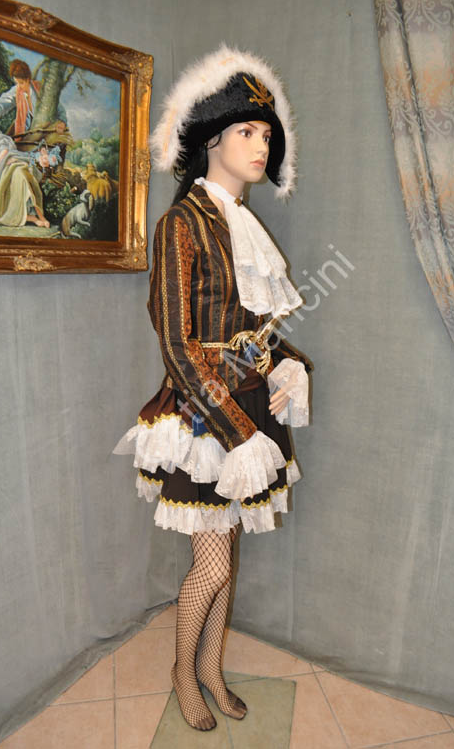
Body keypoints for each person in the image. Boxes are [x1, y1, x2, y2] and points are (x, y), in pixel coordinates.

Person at [113, 44, 312, 731]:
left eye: (266, 135)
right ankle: (182, 671)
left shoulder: (240, 223)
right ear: (212, 141)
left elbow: (252, 328)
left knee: (226, 556)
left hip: (249, 403)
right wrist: (237, 432)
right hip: (206, 415)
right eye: (246, 131)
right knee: (213, 563)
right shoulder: (182, 223)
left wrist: (288, 365)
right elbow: (177, 343)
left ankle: (211, 668)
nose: (261, 145)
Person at [0, 124, 49, 228]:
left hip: (5, 162)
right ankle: (30, 218)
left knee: (21, 173)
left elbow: (4, 150)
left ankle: (40, 215)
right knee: (18, 175)